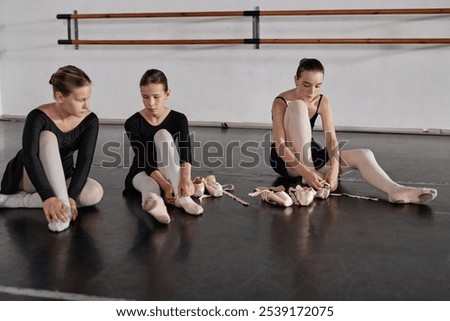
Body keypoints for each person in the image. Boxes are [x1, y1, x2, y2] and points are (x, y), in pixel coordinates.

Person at [270, 58, 437, 204]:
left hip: (311, 157)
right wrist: (306, 172)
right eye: (306, 85)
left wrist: (334, 170)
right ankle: (309, 180)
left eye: (317, 86)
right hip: (287, 160)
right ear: (296, 80)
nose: (312, 92)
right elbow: (280, 146)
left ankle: (396, 190)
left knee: (364, 154)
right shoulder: (281, 102)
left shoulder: (322, 102)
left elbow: (331, 141)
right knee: (298, 105)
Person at [0, 65, 104, 232]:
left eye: (88, 98)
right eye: (81, 100)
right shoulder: (37, 116)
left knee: (94, 192)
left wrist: (71, 195)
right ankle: (63, 211)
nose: (87, 105)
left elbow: (85, 160)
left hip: (62, 175)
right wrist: (48, 196)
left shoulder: (90, 120)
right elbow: (30, 157)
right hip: (30, 177)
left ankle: (15, 201)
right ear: (60, 97)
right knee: (47, 136)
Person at [123, 69, 203, 224]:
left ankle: (184, 199)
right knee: (149, 186)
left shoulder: (179, 118)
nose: (150, 103)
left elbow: (185, 148)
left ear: (167, 94)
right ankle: (156, 206)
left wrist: (185, 178)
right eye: (145, 97)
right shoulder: (132, 123)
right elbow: (143, 158)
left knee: (163, 134)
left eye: (156, 97)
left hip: (169, 169)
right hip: (143, 171)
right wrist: (166, 186)